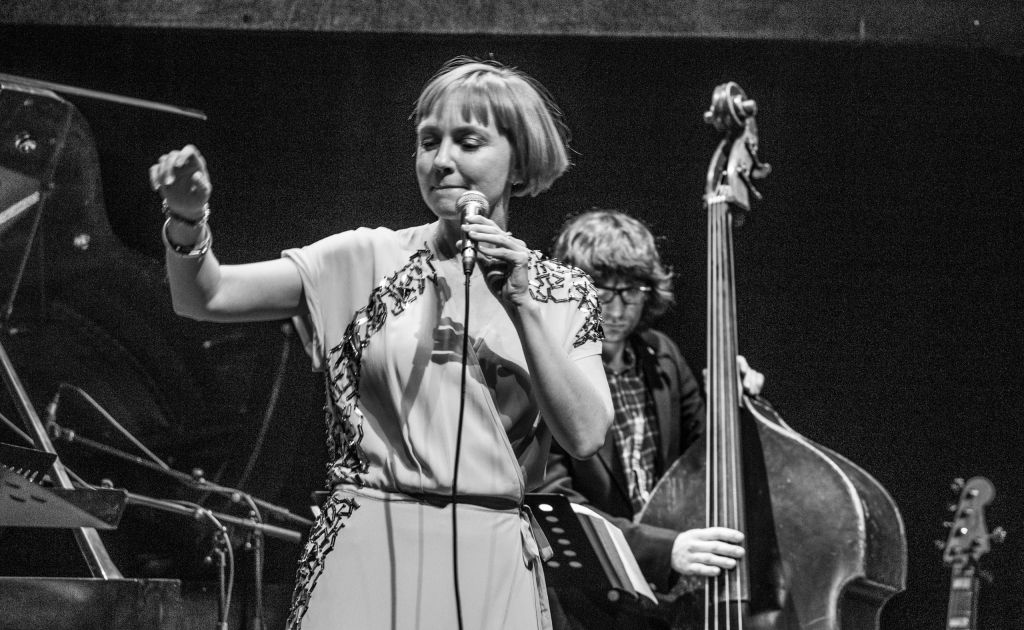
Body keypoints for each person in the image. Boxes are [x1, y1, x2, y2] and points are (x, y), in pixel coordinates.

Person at [148, 57, 613, 630]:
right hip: (367, 549)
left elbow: (586, 436)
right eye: (429, 142)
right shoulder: (365, 257)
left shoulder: (562, 292)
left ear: (520, 161)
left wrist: (522, 305)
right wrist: (187, 220)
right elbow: (206, 297)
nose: (441, 161)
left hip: (492, 562)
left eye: (468, 142)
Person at [540, 208, 763, 629]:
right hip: (594, 603)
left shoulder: (662, 356)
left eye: (632, 291)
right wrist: (664, 551)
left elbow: (709, 461)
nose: (617, 309)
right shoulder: (551, 370)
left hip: (668, 601)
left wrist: (737, 406)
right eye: (602, 292)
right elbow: (557, 504)